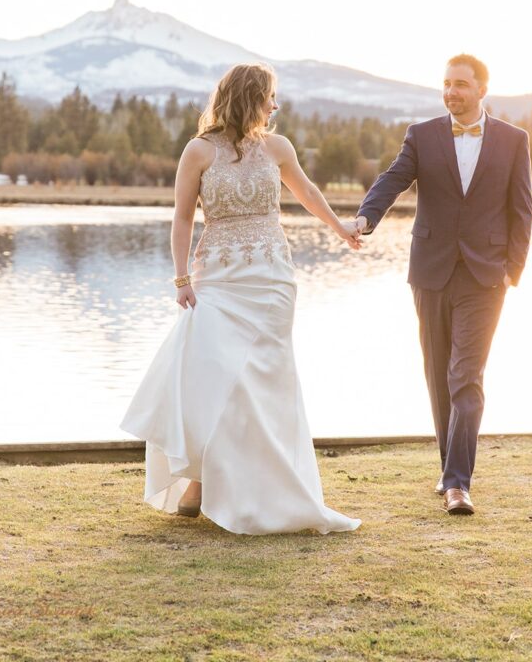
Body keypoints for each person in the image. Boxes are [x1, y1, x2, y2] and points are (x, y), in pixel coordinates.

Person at [120, 62, 362, 535]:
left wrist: (341, 228)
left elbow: (307, 191)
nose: (277, 105)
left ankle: (245, 488)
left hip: (271, 278)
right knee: (214, 379)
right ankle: (201, 479)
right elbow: (183, 219)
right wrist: (180, 277)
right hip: (218, 280)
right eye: (271, 96)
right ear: (251, 97)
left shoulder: (278, 147)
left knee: (264, 386)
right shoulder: (198, 151)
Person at [345, 54, 532, 515]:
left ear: (482, 90)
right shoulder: (422, 135)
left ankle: (456, 484)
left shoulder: (514, 140)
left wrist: (514, 267)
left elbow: (522, 207)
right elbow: (393, 179)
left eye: (462, 85)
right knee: (437, 373)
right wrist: (366, 217)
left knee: (465, 376)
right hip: (430, 270)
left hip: (486, 276)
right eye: (447, 84)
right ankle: (449, 465)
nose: (452, 92)